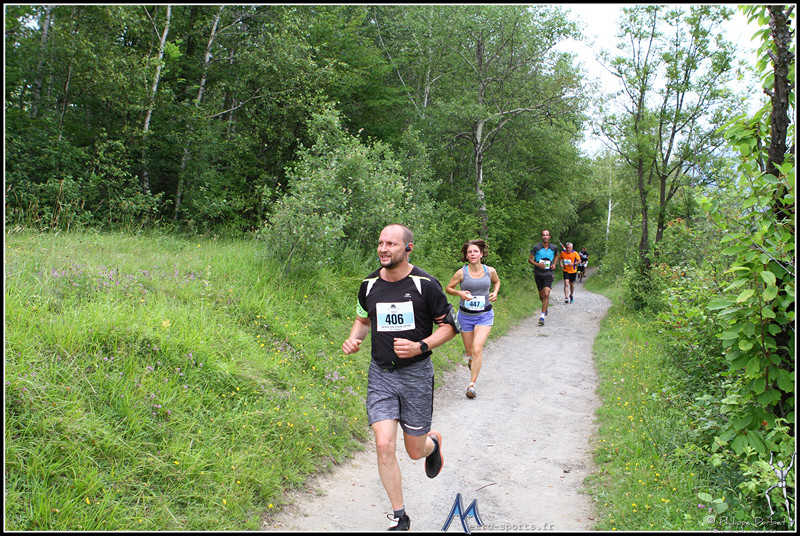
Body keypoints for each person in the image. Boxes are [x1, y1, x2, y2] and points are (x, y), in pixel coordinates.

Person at [342, 224, 458, 531]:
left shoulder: (425, 284)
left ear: (408, 248)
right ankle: (400, 516)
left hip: (416, 375)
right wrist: (354, 339)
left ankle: (432, 444)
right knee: (383, 444)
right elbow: (362, 319)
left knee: (414, 451)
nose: (383, 249)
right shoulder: (368, 285)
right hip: (381, 374)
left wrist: (421, 346)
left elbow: (449, 327)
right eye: (381, 243)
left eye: (391, 244)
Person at [445, 239, 501, 399]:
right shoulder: (461, 273)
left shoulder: (490, 271)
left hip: (484, 315)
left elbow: (497, 282)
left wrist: (495, 292)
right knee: (470, 351)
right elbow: (448, 288)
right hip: (466, 316)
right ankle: (472, 360)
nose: (472, 254)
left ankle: (471, 385)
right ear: (466, 256)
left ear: (481, 254)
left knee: (477, 348)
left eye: (476, 251)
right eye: (469, 252)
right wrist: (459, 293)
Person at [528, 230, 559, 326]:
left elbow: (557, 255)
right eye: (544, 235)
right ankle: (545, 307)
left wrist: (554, 264)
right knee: (541, 295)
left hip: (548, 273)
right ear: (542, 237)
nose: (545, 236)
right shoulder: (536, 247)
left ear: (549, 237)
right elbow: (530, 259)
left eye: (547, 235)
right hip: (538, 273)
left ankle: (542, 316)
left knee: (546, 293)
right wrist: (537, 264)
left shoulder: (554, 247)